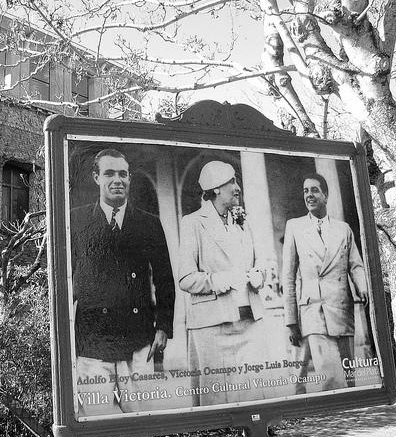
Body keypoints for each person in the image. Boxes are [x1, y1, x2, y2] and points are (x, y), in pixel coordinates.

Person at [71, 148, 175, 416]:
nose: (117, 180)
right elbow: (66, 280)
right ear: (96, 178)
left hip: (138, 340)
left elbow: (164, 277)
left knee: (142, 418)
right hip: (93, 341)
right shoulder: (77, 220)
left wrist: (163, 326)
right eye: (109, 173)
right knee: (98, 419)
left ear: (129, 179)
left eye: (123, 174)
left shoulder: (148, 223)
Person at [178, 160, 267, 406]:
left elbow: (259, 263)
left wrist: (259, 276)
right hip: (212, 325)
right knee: (215, 395)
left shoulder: (243, 223)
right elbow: (185, 279)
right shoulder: (193, 222)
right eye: (232, 182)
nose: (237, 187)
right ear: (216, 188)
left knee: (251, 393)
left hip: (249, 321)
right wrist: (220, 280)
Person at [282, 172, 368, 391]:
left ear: (326, 195)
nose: (309, 195)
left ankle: (352, 416)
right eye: (305, 191)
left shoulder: (343, 229)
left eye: (314, 190)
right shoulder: (295, 227)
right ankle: (335, 415)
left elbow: (355, 265)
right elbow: (288, 276)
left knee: (350, 376)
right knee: (328, 374)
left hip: (341, 306)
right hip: (313, 310)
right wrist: (291, 320)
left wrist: (363, 287)